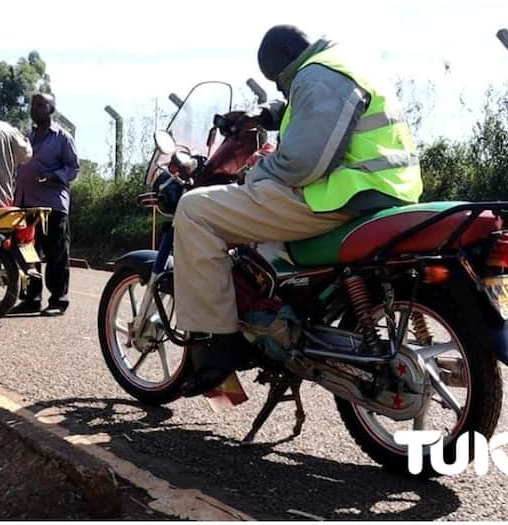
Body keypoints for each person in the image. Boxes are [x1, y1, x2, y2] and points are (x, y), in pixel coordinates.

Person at [172, 25, 423, 396]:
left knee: (194, 209)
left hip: (343, 195)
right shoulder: (341, 65)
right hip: (384, 191)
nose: (279, 87)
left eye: (278, 79)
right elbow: (309, 112)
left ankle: (219, 345)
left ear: (290, 53)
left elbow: (302, 164)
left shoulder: (316, 76)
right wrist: (263, 114)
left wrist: (253, 174)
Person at [14, 93, 80, 316]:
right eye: (33, 105)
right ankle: (32, 298)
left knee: (56, 254)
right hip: (27, 203)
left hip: (52, 205)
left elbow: (73, 168)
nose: (35, 109)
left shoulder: (62, 137)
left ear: (51, 109)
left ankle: (58, 301)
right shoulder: (28, 136)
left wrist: (54, 176)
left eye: (41, 105)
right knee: (29, 252)